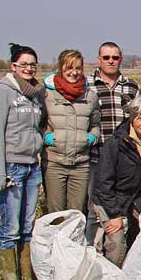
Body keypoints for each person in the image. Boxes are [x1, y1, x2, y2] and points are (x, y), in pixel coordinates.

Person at [0, 43, 45, 280]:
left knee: (26, 228)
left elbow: (38, 128)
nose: (29, 68)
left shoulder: (35, 94)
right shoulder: (3, 92)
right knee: (10, 228)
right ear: (13, 66)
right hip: (12, 167)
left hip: (32, 166)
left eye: (32, 64)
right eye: (24, 64)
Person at [93, 95, 141, 266]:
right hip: (113, 199)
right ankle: (113, 278)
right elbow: (103, 184)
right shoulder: (116, 144)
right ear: (132, 119)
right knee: (117, 241)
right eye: (140, 118)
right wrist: (115, 215)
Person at [87, 42, 140, 244]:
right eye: (106, 57)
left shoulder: (132, 86)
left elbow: (139, 120)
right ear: (98, 59)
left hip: (124, 159)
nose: (111, 61)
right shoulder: (87, 85)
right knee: (95, 209)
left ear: (121, 59)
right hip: (95, 155)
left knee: (125, 206)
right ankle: (91, 253)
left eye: (115, 57)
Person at [42, 49, 101, 214]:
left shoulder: (90, 96)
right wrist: (47, 137)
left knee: (76, 213)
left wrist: (90, 137)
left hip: (80, 164)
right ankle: (55, 241)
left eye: (78, 68)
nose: (74, 72)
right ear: (61, 68)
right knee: (56, 212)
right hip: (54, 162)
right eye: (69, 68)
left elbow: (96, 125)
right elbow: (38, 123)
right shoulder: (47, 94)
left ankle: (73, 241)